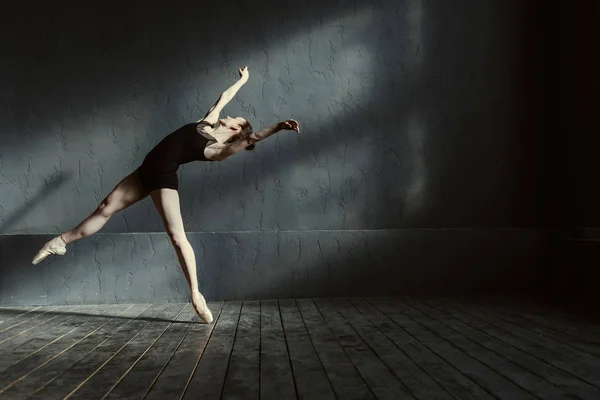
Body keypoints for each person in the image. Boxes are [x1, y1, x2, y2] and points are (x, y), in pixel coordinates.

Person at [31, 66, 300, 323]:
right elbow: (224, 97)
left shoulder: (217, 150)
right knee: (105, 208)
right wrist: (243, 80)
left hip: (163, 179)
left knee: (176, 236)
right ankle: (60, 242)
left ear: (235, 129)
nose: (229, 115)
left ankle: (195, 293)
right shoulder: (205, 123)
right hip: (145, 172)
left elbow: (251, 140)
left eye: (235, 119)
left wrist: (278, 127)